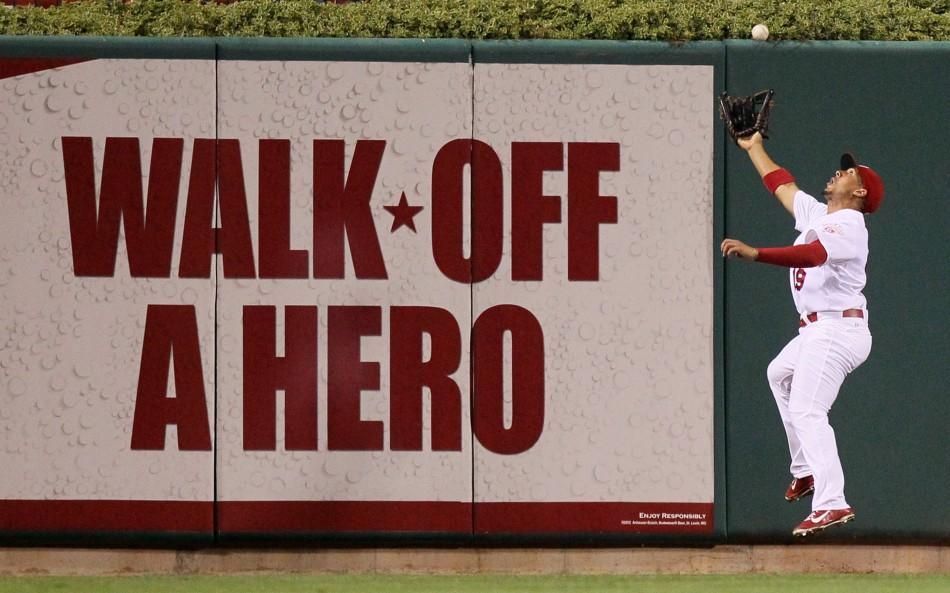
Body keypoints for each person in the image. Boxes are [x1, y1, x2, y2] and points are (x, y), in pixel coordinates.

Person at [720, 131, 884, 537]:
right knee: (779, 374)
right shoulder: (820, 215)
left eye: (848, 171)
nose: (839, 171)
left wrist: (758, 254)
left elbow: (813, 255)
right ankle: (806, 470)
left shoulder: (850, 222)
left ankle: (832, 502)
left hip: (837, 328)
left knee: (809, 411)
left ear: (859, 190)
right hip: (819, 328)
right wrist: (753, 146)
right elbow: (783, 184)